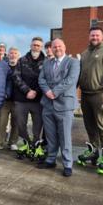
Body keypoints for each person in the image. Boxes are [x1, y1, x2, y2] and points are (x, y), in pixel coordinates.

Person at [77, 26, 103, 176]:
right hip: (85, 95)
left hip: (100, 94)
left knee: (102, 125)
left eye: (97, 35)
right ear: (89, 37)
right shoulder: (84, 53)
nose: (94, 37)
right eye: (92, 35)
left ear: (102, 36)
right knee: (89, 125)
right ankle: (93, 150)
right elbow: (79, 74)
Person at [37, 38, 80, 177]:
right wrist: (47, 92)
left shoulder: (73, 62)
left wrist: (54, 92)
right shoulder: (47, 63)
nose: (57, 49)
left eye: (59, 46)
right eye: (54, 47)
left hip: (64, 105)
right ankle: (51, 160)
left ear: (64, 47)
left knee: (65, 137)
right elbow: (41, 79)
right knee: (50, 136)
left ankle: (67, 164)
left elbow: (70, 80)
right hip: (48, 104)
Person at [13, 37, 46, 159]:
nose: (36, 47)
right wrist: (27, 90)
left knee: (38, 126)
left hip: (38, 101)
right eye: (34, 45)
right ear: (30, 46)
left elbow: (45, 79)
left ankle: (36, 145)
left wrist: (35, 92)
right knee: (20, 123)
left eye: (38, 45)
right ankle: (26, 143)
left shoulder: (46, 62)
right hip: (22, 99)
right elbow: (16, 76)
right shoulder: (21, 60)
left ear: (41, 47)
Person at [0, 47, 19, 151]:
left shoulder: (21, 67)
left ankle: (12, 142)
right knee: (1, 121)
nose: (13, 55)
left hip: (17, 100)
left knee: (16, 122)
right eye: (11, 53)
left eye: (15, 53)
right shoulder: (3, 67)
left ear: (18, 56)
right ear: (8, 55)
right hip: (4, 99)